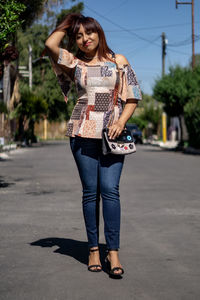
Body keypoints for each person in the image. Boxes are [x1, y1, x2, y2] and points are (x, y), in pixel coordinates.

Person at [45, 13, 142, 277]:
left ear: (99, 33)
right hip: (81, 132)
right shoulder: (74, 63)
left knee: (110, 190)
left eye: (89, 33)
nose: (85, 39)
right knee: (90, 192)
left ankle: (113, 252)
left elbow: (132, 96)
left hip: (112, 134)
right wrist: (69, 22)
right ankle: (93, 250)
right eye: (79, 35)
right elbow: (51, 45)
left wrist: (121, 121)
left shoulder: (118, 61)